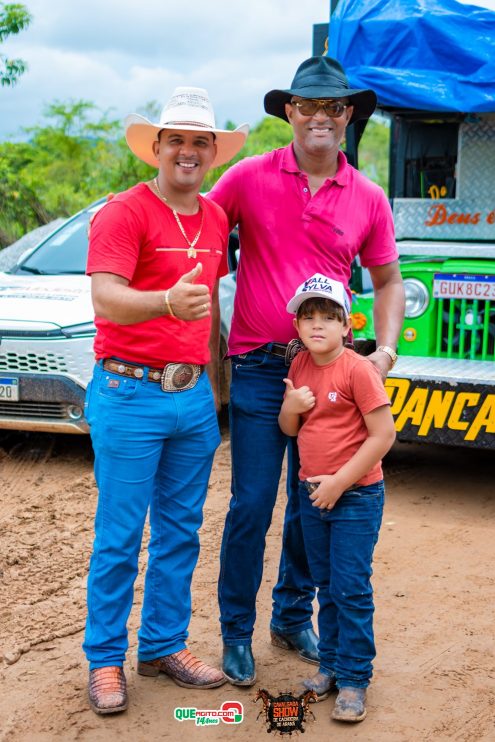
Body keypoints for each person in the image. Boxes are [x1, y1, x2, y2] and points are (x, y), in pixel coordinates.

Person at [208, 56, 404, 686]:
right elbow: (203, 245)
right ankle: (237, 631)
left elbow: (389, 280)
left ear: (349, 117)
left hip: (330, 371)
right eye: (308, 105)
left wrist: (385, 351)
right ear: (289, 111)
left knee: (313, 500)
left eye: (334, 106)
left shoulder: (368, 196)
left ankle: (291, 616)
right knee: (252, 502)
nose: (321, 116)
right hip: (263, 371)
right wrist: (204, 342)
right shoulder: (247, 178)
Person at [83, 87, 248, 714]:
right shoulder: (122, 212)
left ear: (211, 152)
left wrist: (215, 387)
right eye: (175, 139)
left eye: (199, 141)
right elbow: (105, 298)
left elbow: (206, 313)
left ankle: (161, 645)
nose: (187, 150)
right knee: (120, 536)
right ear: (157, 147)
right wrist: (163, 302)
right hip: (128, 391)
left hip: (192, 397)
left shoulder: (212, 217)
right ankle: (104, 660)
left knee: (181, 532)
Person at [279, 274, 396, 723]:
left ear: (347, 326)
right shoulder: (300, 367)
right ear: (297, 326)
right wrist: (291, 409)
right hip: (314, 494)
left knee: (350, 588)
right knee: (325, 586)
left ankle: (354, 678)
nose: (317, 324)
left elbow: (382, 436)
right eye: (308, 316)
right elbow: (291, 429)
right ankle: (329, 664)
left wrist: (339, 483)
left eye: (329, 317)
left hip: (355, 496)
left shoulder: (358, 369)